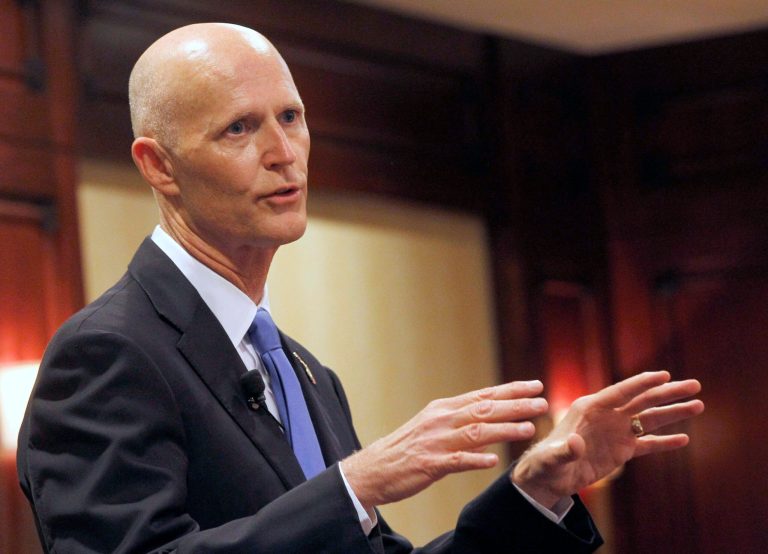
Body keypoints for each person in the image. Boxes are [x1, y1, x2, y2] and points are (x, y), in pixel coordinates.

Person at [17, 22, 704, 553]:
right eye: (238, 128)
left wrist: (536, 492)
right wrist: (357, 484)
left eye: (291, 117)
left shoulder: (306, 374)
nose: (283, 153)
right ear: (158, 165)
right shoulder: (107, 352)